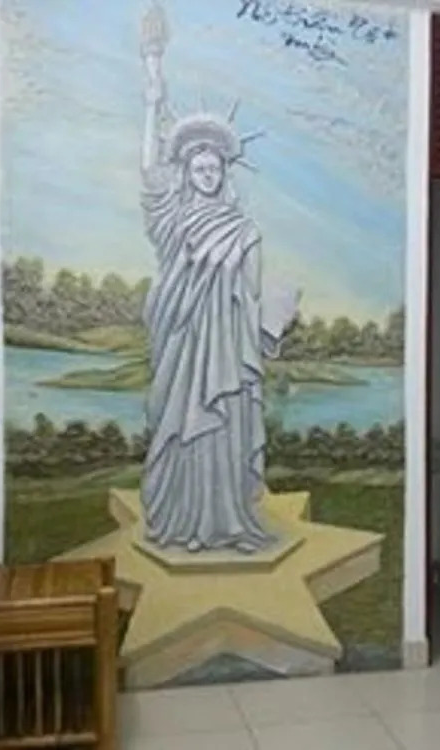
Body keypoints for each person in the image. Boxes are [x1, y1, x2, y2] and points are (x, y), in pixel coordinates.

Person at [138, 3, 297, 554]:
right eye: (198, 169)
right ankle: (183, 521)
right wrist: (152, 100)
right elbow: (148, 172)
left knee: (224, 422)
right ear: (186, 172)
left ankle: (229, 521)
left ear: (225, 173)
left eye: (214, 169)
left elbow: (249, 295)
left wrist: (272, 316)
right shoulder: (174, 217)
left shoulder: (244, 230)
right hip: (183, 347)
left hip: (227, 350)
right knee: (182, 423)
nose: (207, 175)